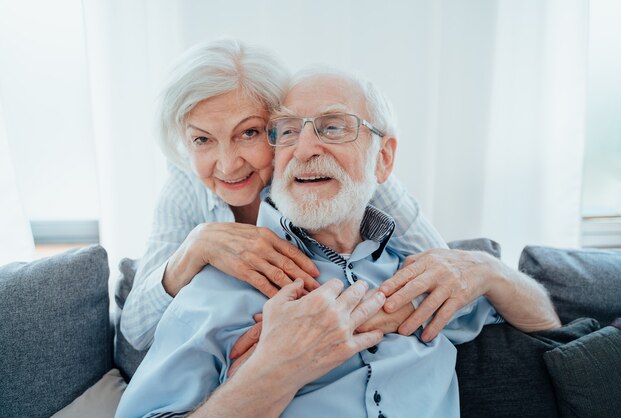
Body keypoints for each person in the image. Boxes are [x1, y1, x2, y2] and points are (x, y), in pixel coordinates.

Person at [115, 69, 560, 418]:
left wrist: (490, 270)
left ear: (383, 158)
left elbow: (547, 329)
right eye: (287, 130)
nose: (305, 147)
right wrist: (277, 370)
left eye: (332, 127)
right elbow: (136, 338)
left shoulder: (427, 277)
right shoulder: (218, 287)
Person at [120, 39, 454, 351]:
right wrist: (197, 247)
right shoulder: (186, 183)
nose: (227, 164)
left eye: (248, 133)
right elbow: (136, 330)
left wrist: (380, 315)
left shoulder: (335, 171)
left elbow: (448, 272)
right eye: (202, 140)